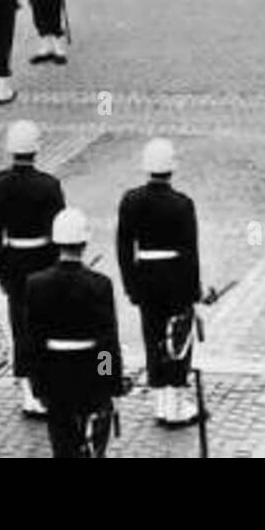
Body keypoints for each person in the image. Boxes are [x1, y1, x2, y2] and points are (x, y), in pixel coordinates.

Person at [25, 207, 125, 457]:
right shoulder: (100, 284)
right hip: (90, 374)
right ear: (84, 243)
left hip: (54, 375)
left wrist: (37, 383)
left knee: (62, 441)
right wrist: (109, 382)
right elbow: (107, 343)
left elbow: (33, 341)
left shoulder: (36, 284)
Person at [0, 119, 65, 416]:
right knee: (45, 325)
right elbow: (60, 231)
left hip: (14, 262)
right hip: (43, 259)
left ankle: (28, 390)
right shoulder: (49, 185)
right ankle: (46, 382)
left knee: (20, 327)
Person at [116, 139, 200, 428]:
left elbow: (124, 247)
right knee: (177, 340)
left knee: (153, 338)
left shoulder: (130, 200)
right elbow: (190, 251)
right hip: (176, 277)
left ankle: (160, 404)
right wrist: (194, 291)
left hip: (146, 276)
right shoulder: (182, 203)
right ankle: (175, 404)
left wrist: (130, 285)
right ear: (171, 168)